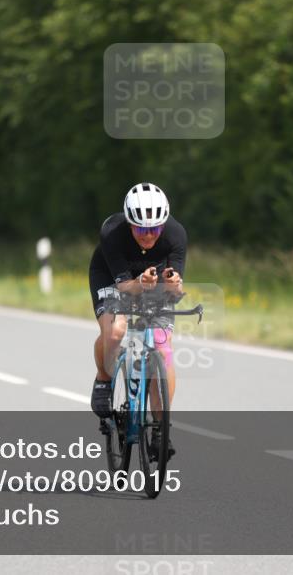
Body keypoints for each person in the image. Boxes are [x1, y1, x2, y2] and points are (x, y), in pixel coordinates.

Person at [88, 183, 186, 456]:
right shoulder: (112, 231)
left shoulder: (176, 234)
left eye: (155, 229)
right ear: (130, 224)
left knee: (162, 347)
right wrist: (140, 283)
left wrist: (174, 285)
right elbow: (124, 288)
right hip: (111, 277)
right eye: (142, 230)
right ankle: (103, 379)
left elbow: (177, 291)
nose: (149, 235)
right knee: (116, 330)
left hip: (153, 281)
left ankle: (160, 428)